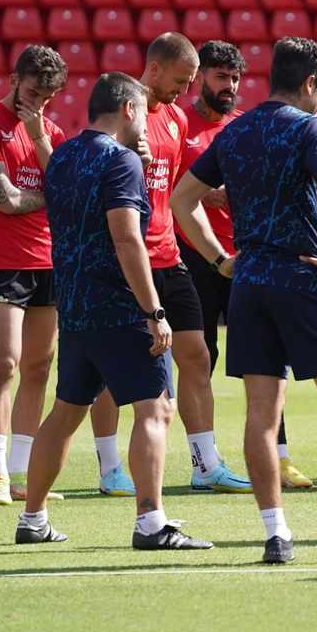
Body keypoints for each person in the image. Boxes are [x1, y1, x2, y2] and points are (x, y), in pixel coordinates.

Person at [172, 36, 317, 564]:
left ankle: (276, 536)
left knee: (261, 411)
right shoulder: (306, 126)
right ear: (308, 84)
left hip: (250, 280)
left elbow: (181, 199)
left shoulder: (235, 130)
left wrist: (220, 260)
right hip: (301, 277)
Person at [16, 72, 208, 551]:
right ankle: (151, 523)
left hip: (76, 307)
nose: (147, 122)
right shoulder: (121, 161)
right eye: (143, 112)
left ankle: (32, 518)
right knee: (156, 409)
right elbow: (126, 238)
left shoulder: (60, 157)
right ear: (127, 109)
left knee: (64, 414)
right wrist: (154, 310)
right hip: (119, 306)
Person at [89, 33, 250, 496]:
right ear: (154, 69)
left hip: (169, 255)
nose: (183, 92)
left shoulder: (177, 120)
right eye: (179, 81)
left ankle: (205, 465)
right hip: (123, 259)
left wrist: (217, 257)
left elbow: (183, 200)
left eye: (189, 83)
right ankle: (108, 468)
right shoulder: (120, 113)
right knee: (110, 369)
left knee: (197, 357)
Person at [177, 40, 313, 490]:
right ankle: (204, 463)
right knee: (200, 359)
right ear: (201, 79)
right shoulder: (181, 124)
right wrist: (208, 192)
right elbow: (175, 191)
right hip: (195, 258)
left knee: (270, 360)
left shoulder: (241, 127)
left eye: (234, 78)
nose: (229, 86)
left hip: (247, 258)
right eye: (220, 76)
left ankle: (280, 455)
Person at [0, 45, 67, 505]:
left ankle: (22, 474)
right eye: (32, 92)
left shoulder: (51, 132)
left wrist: (38, 134)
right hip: (4, 260)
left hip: (49, 258)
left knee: (39, 368)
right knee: (5, 362)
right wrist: (52, 194)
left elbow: (64, 186)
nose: (37, 102)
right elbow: (4, 200)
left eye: (46, 96)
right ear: (12, 79)